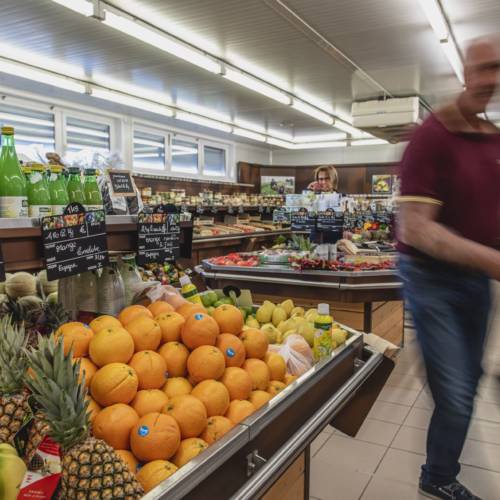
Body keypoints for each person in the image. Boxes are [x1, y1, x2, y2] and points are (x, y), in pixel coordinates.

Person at [397, 36, 500, 500]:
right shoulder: (432, 135)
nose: (491, 80)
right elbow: (417, 229)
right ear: (465, 72)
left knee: (471, 380)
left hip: (476, 281)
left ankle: (437, 470)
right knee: (456, 394)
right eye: (483, 68)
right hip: (430, 278)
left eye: (498, 69)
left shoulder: (492, 139)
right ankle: (437, 478)